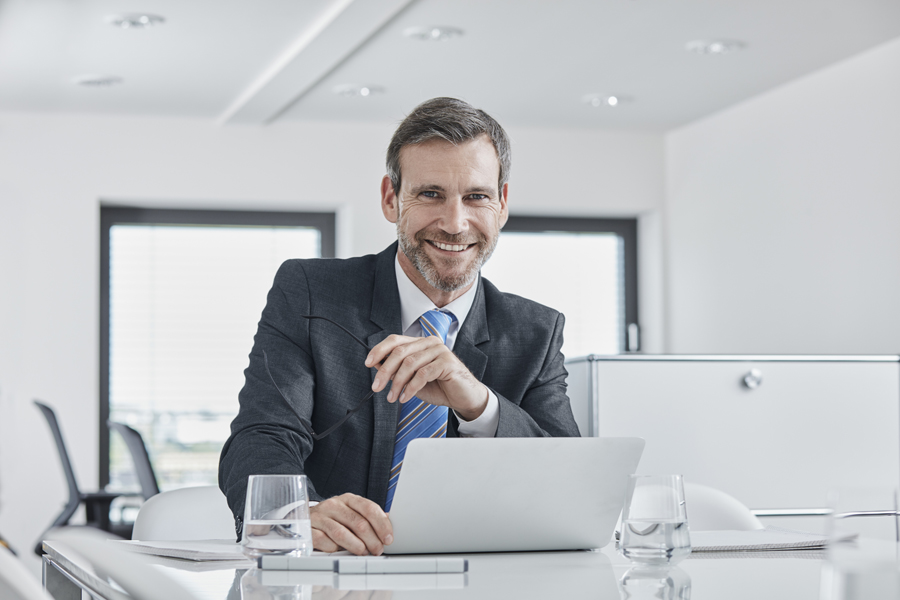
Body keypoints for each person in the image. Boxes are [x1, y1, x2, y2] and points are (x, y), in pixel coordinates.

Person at [218, 97, 580, 557]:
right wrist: (294, 514)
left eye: (477, 196)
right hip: (339, 577)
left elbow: (569, 481)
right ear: (391, 199)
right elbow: (262, 435)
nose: (454, 222)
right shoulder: (310, 292)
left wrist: (479, 404)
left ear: (502, 204)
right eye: (430, 194)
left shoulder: (536, 331)